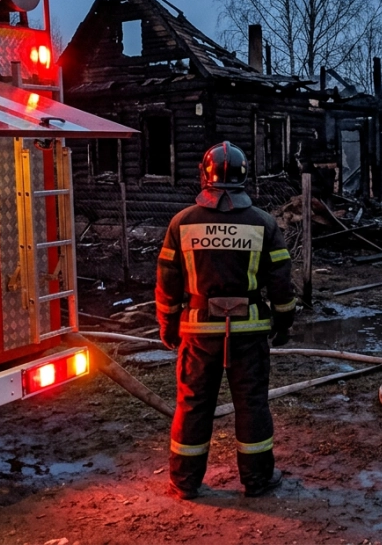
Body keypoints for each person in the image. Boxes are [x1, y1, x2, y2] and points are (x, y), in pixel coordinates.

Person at [156, 141, 297, 499]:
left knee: (193, 403)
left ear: (205, 175)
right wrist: (284, 321)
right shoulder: (263, 223)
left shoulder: (182, 223)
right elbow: (280, 280)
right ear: (243, 176)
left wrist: (167, 325)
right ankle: (257, 480)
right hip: (249, 332)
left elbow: (167, 282)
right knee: (252, 404)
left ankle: (184, 483)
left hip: (198, 331)